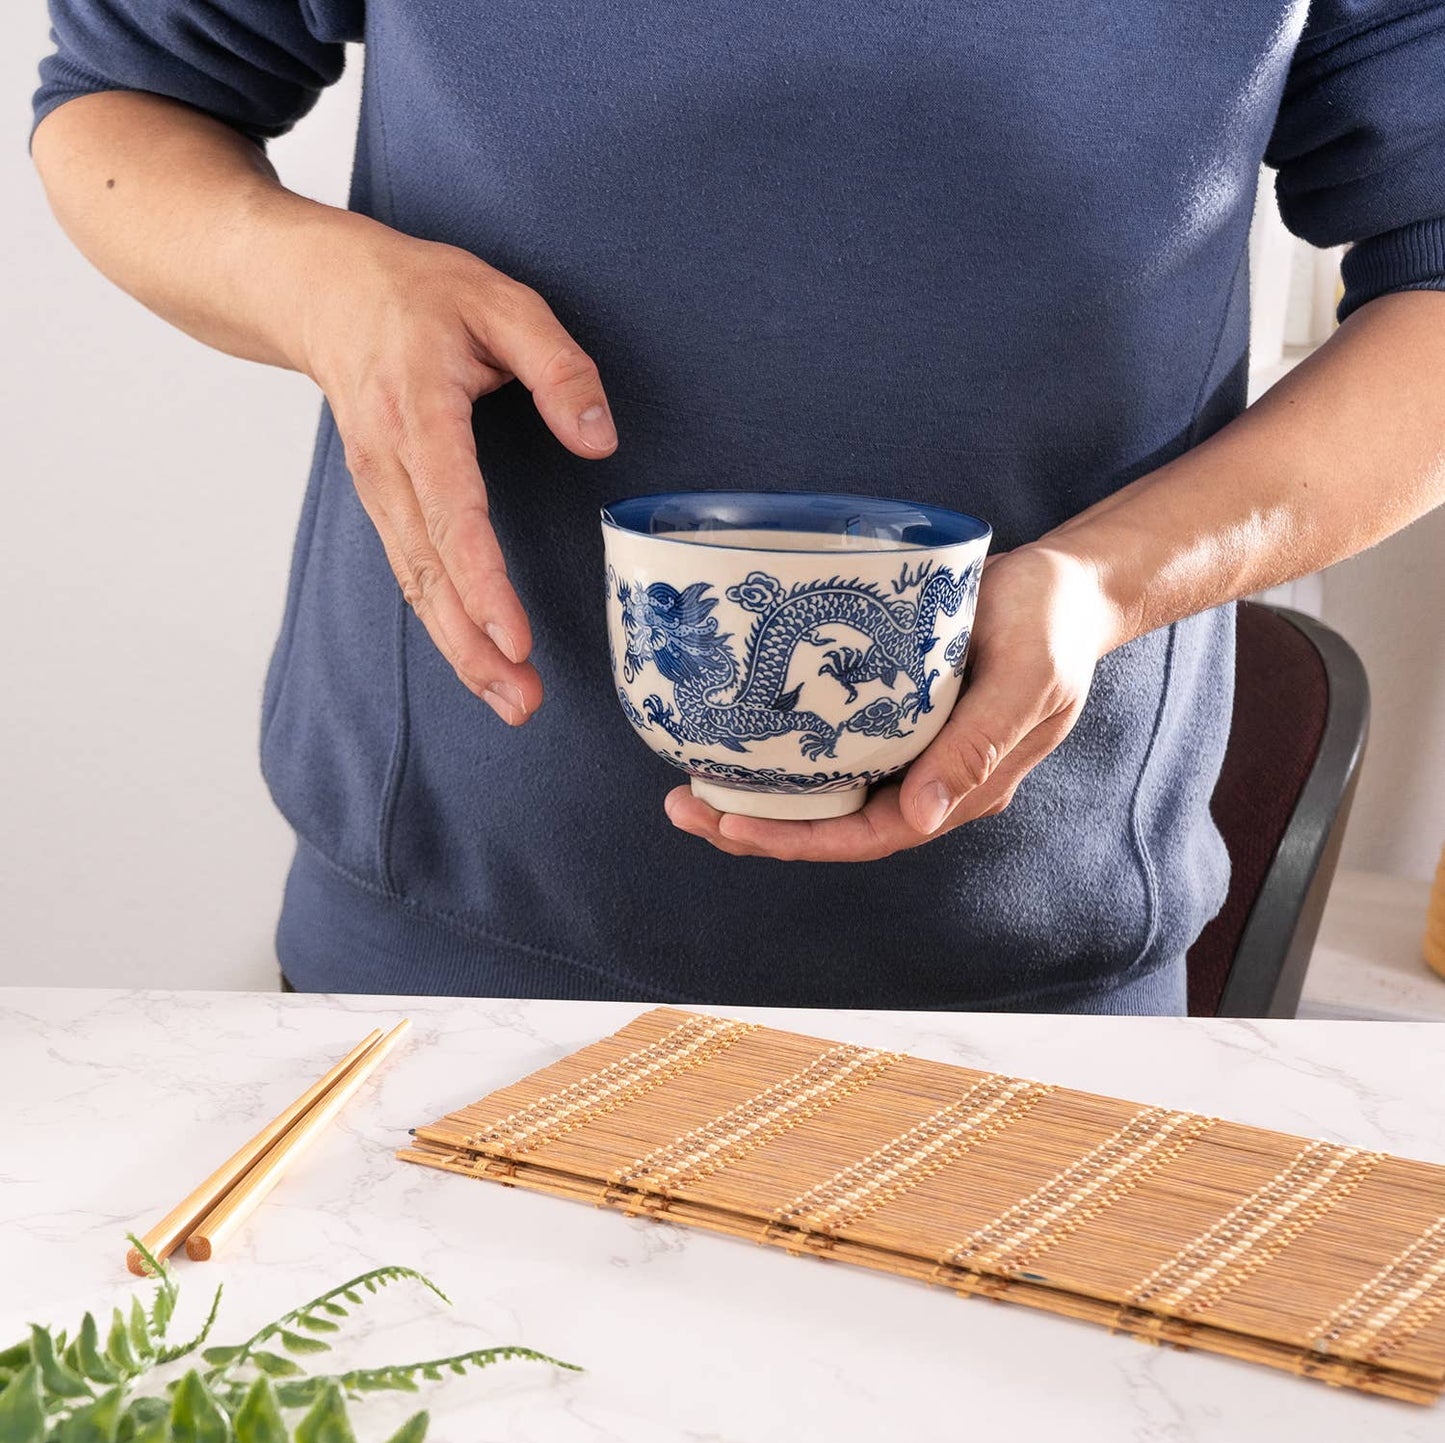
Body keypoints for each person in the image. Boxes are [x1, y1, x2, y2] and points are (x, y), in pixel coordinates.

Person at [30, 2, 1445, 1014]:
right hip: (434, 943)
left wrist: (1114, 582)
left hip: (1023, 990)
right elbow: (123, 99)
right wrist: (319, 284)